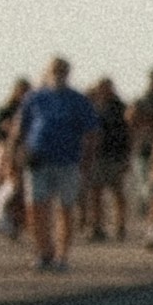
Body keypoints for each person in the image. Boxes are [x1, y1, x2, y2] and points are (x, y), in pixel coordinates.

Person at [16, 56, 95, 272]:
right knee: (37, 207)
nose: (58, 74)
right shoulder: (34, 98)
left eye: (62, 70)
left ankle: (62, 255)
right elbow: (20, 128)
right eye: (55, 70)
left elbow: (90, 133)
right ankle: (43, 251)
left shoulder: (77, 100)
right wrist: (13, 157)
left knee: (65, 208)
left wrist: (86, 162)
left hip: (67, 161)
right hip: (37, 160)